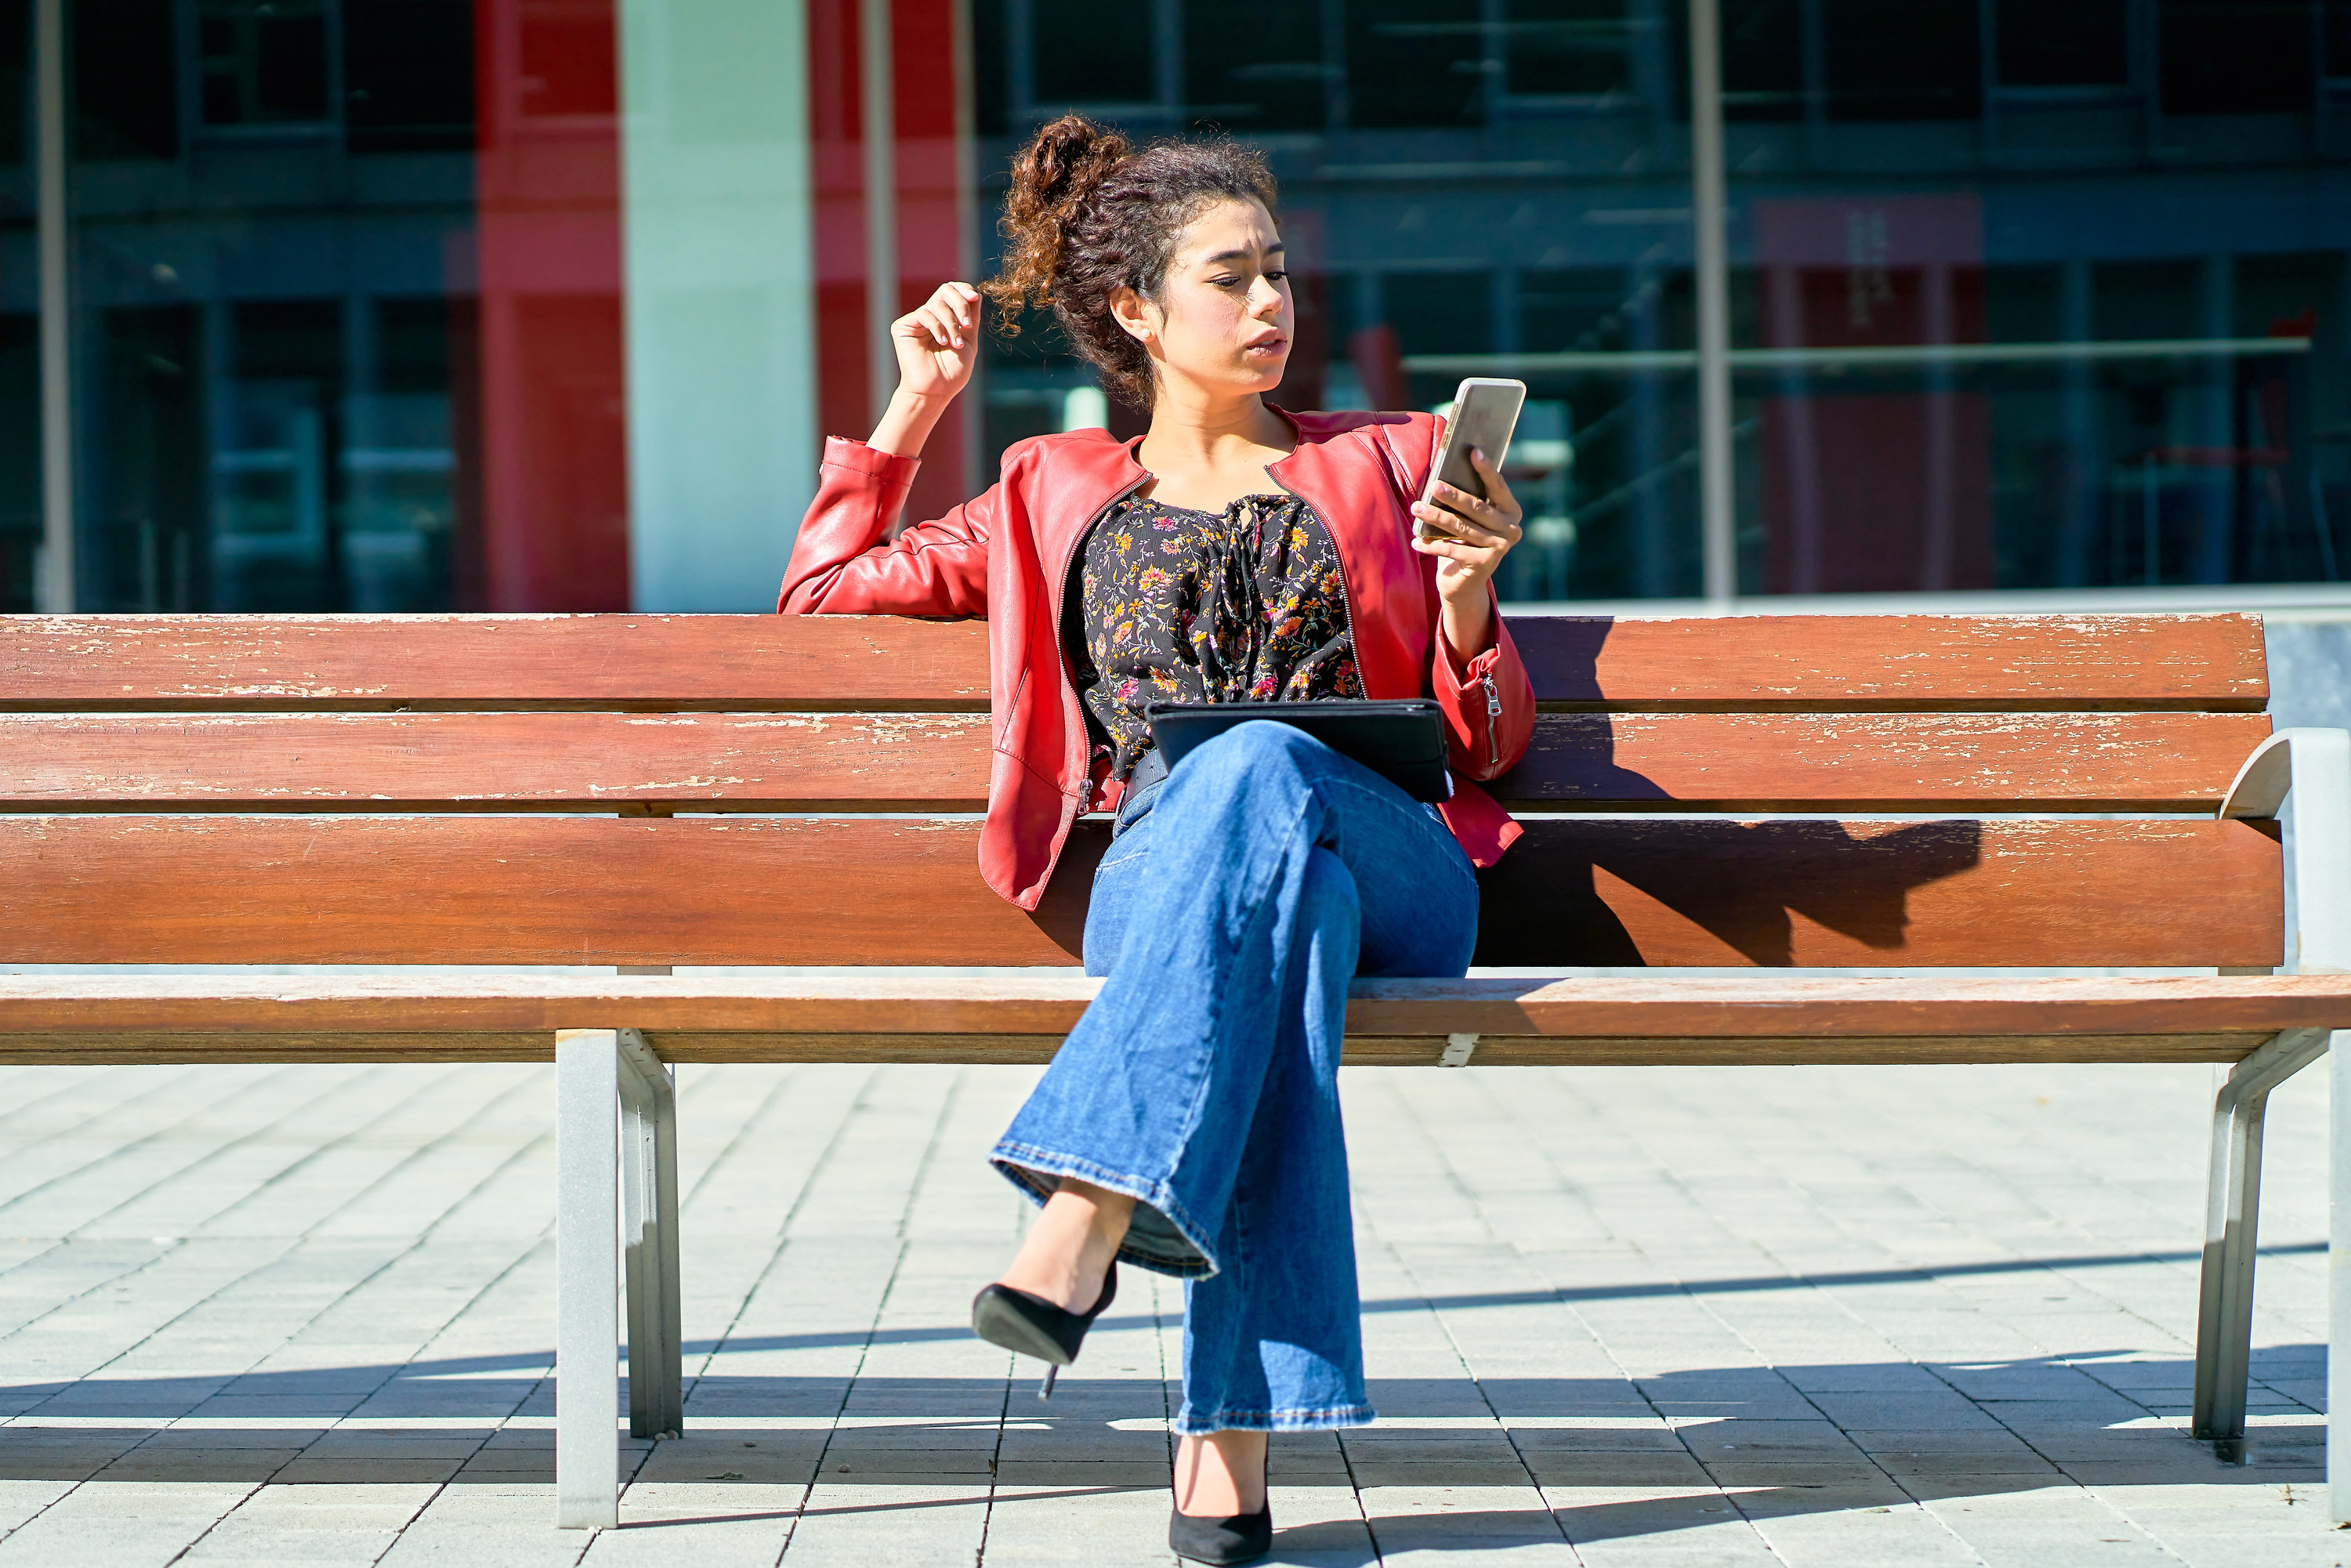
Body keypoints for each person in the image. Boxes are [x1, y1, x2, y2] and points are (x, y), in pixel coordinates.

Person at [779, 114, 1534, 1567]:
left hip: (1404, 874)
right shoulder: (1044, 489)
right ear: (1136, 311)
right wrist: (911, 411)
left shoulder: (1390, 461)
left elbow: (1492, 743)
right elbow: (822, 600)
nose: (1271, 306)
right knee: (1276, 927)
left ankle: (1087, 1203)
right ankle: (1225, 1453)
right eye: (1230, 278)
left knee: (1258, 762)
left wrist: (1465, 599)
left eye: (1279, 275)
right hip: (1176, 891)